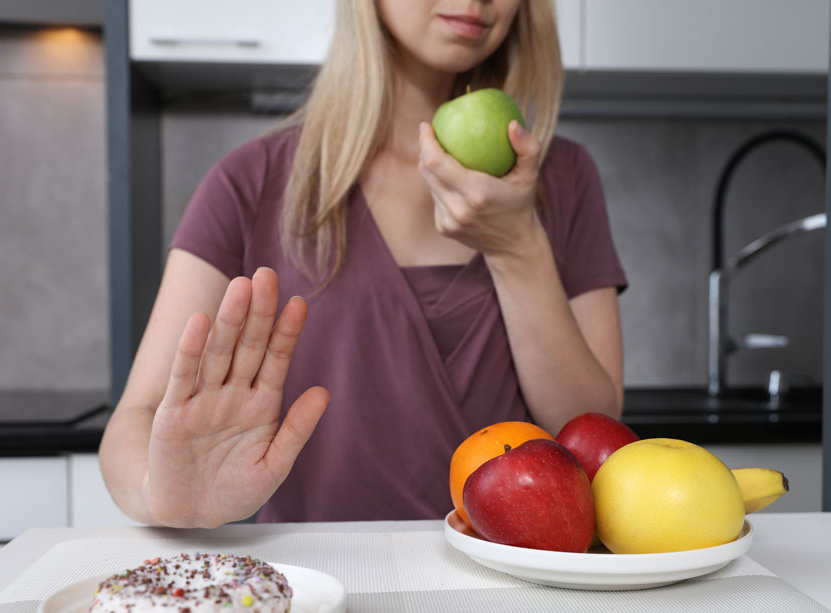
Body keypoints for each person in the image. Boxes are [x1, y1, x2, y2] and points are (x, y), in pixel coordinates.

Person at [99, 0, 627, 529]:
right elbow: (138, 418)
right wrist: (161, 495)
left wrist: (517, 247)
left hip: (507, 592)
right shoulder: (249, 183)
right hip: (319, 588)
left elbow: (586, 432)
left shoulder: (566, 177)